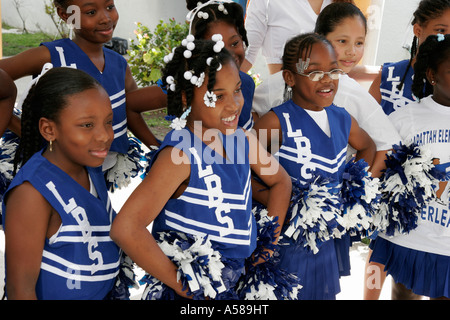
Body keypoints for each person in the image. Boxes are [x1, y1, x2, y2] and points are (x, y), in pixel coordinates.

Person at [110, 38, 291, 300]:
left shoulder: (243, 140)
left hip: (236, 286)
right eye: (217, 96)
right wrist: (183, 284)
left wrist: (267, 244)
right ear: (185, 98)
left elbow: (280, 181)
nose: (233, 105)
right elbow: (125, 227)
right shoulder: (180, 155)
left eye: (237, 90)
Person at [252, 33, 376, 299]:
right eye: (314, 72)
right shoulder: (276, 122)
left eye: (332, 70)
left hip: (325, 243)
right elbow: (239, 169)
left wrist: (352, 188)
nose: (327, 79)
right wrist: (275, 198)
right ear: (289, 77)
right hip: (285, 244)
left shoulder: (342, 118)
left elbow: (368, 147)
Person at [0, 0, 165, 192]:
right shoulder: (51, 56)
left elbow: (128, 110)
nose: (106, 18)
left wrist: (156, 147)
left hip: (99, 174)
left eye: (110, 7)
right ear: (64, 14)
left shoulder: (119, 64)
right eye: (91, 12)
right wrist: (22, 128)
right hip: (54, 175)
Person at [2, 67, 123, 300]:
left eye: (108, 122)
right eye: (87, 125)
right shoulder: (32, 194)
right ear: (49, 130)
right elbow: (21, 291)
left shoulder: (91, 168)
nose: (105, 136)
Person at [252, 2, 400, 178]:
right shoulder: (277, 86)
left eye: (359, 42)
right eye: (342, 41)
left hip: (331, 197)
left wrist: (358, 193)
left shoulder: (352, 99)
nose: (351, 51)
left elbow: (388, 144)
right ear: (319, 37)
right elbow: (251, 117)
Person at [368, 34, 450, 300]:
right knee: (403, 296)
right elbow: (382, 172)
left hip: (447, 242)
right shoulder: (405, 119)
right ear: (432, 75)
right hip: (410, 238)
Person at [368, 0, 450, 117]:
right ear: (418, 30)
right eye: (441, 30)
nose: (447, 38)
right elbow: (363, 127)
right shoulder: (388, 77)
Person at [186, 0, 257, 129]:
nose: (228, 54)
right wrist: (156, 145)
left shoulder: (246, 83)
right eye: (217, 47)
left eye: (235, 43)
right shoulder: (190, 84)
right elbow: (135, 104)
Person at [242, 0, 355, 75]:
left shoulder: (343, 4)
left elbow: (345, 63)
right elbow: (246, 55)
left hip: (332, 96)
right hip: (282, 98)